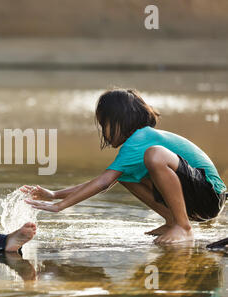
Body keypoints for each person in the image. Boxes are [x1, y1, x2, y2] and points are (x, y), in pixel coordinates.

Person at [23, 88, 227, 244]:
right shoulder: (135, 145)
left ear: (120, 120)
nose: (104, 132)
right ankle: (173, 221)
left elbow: (103, 183)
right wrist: (54, 194)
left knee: (155, 155)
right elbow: (102, 181)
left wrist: (60, 206)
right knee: (124, 175)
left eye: (105, 125)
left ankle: (183, 227)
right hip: (198, 198)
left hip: (210, 195)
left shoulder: (142, 138)